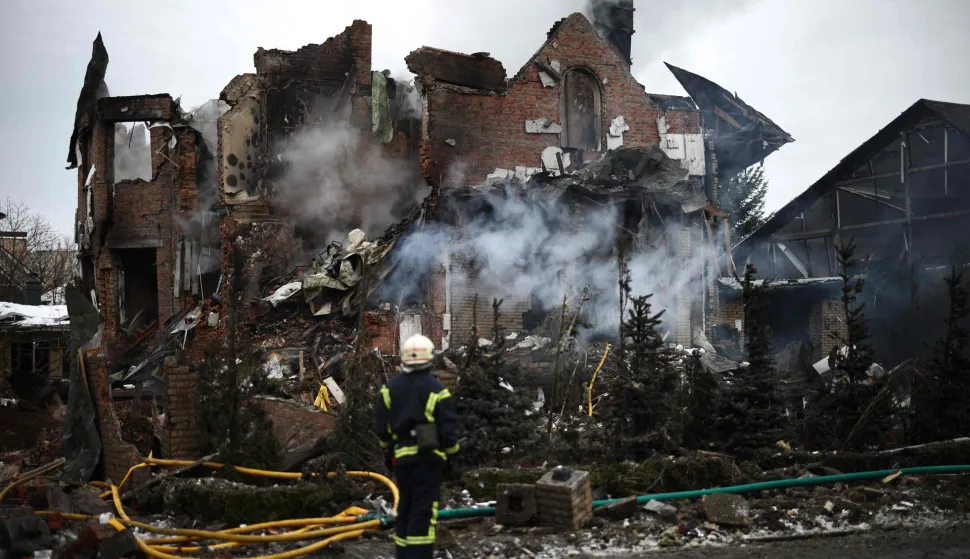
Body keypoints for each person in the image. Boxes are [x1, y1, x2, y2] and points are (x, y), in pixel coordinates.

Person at [374, 334, 461, 559]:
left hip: (401, 461)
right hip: (428, 461)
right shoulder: (436, 389)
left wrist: (388, 453)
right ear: (430, 359)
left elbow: (382, 429)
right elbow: (448, 431)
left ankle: (403, 554)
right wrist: (452, 459)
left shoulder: (389, 389)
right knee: (423, 513)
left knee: (405, 509)